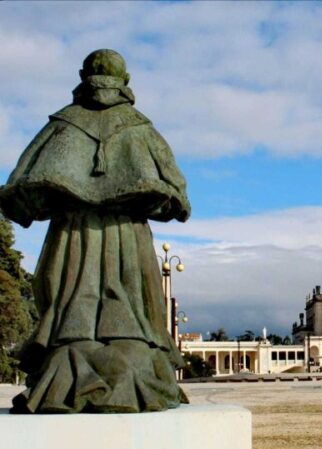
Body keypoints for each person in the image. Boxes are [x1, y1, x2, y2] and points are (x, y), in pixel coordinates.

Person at [0, 50, 190, 413]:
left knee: (70, 303)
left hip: (72, 234)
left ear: (82, 76)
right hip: (127, 233)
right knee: (131, 305)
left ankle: (69, 364)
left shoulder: (62, 125)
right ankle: (131, 367)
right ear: (126, 80)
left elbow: (20, 186)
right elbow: (177, 194)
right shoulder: (139, 127)